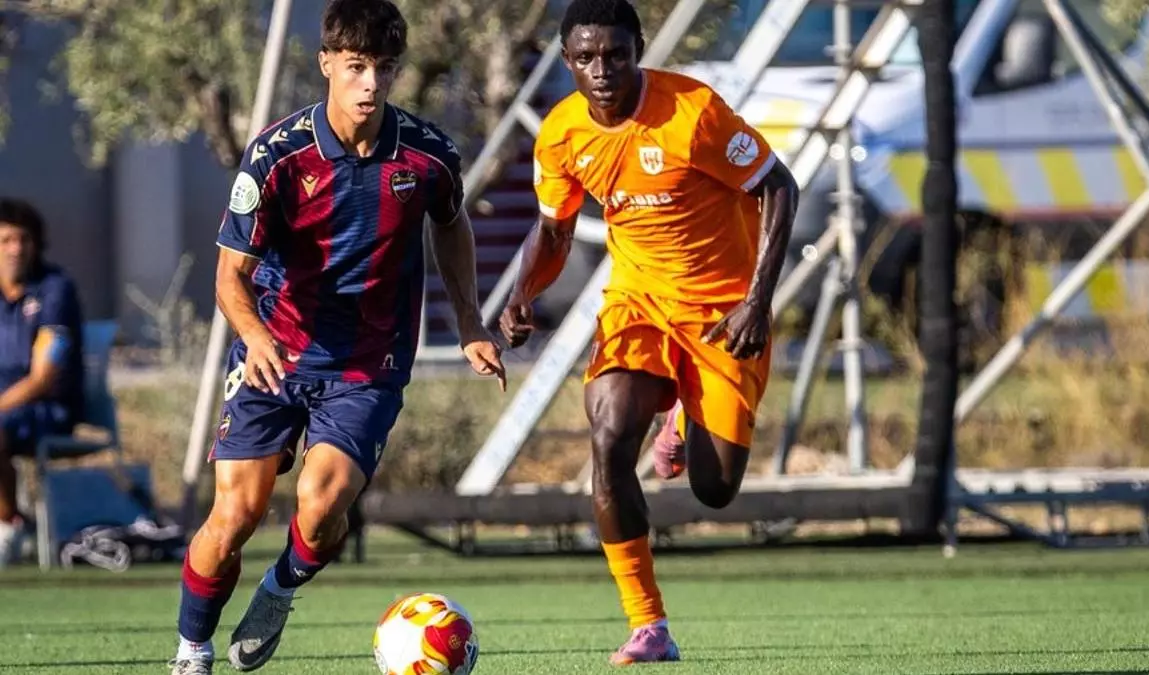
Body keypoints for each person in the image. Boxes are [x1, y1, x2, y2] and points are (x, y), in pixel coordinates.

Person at [169, 2, 506, 674]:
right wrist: (255, 334)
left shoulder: (428, 155)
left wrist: (470, 321)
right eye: (356, 66)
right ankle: (192, 650)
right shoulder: (275, 156)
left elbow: (451, 222)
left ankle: (279, 589)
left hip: (366, 363)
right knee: (234, 514)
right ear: (327, 63)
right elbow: (229, 276)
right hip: (273, 354)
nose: (370, 83)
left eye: (384, 68)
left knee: (322, 508)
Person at [499, 0, 800, 665]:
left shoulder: (694, 112)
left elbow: (780, 186)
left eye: (615, 55)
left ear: (637, 51)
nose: (601, 70)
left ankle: (684, 418)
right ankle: (648, 623)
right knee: (607, 439)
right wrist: (523, 293)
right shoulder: (562, 133)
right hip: (637, 305)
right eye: (584, 58)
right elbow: (552, 229)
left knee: (714, 487)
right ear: (567, 60)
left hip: (724, 314)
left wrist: (757, 300)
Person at [0, 198, 85, 568]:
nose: (15, 249)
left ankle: (9, 525)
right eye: (5, 240)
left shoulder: (54, 290)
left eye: (23, 240)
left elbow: (43, 377)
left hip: (47, 409)